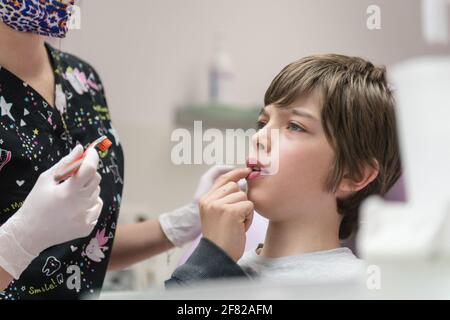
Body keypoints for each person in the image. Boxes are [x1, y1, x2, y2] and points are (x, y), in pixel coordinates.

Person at [0, 0, 230, 299]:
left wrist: (182, 223)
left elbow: (86, 249)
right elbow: (28, 245)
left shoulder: (83, 80)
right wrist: (19, 240)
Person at [166, 54, 402, 286]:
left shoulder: (363, 288)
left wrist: (209, 264)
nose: (259, 136)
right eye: (263, 122)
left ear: (354, 174)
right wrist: (211, 260)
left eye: (295, 126)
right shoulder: (220, 274)